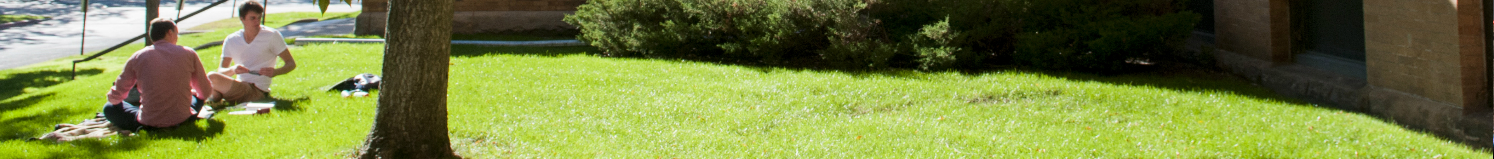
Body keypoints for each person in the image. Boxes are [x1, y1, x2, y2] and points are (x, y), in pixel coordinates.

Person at [101, 18, 215, 133]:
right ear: (170, 32)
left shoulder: (138, 56)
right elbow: (205, 92)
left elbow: (116, 96)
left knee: (109, 108)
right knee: (197, 98)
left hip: (149, 122)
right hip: (183, 118)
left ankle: (145, 123)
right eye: (176, 33)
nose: (177, 36)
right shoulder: (189, 53)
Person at [209, 1, 297, 103]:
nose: (257, 21)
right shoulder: (231, 40)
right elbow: (221, 71)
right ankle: (215, 98)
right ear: (242, 19)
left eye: (259, 17)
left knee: (211, 78)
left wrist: (275, 72)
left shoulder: (271, 35)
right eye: (252, 18)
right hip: (239, 85)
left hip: (257, 89)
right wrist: (233, 69)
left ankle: (214, 99)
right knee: (210, 83)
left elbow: (291, 64)